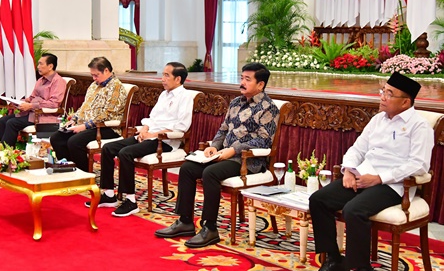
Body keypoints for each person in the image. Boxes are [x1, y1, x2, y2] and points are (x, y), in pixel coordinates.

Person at [309, 72, 434, 271]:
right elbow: (357, 149)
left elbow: (418, 165)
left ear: (405, 102)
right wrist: (349, 170)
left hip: (392, 185)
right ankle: (332, 258)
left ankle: (359, 267)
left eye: (389, 94)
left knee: (354, 210)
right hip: (362, 176)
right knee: (318, 199)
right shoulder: (378, 120)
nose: (382, 97)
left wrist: (378, 178)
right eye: (383, 91)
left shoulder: (420, 127)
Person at [154, 62, 280, 248]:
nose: (242, 82)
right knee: (188, 168)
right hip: (223, 154)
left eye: (247, 79)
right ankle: (185, 221)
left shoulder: (268, 108)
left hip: (248, 161)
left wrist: (233, 149)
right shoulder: (236, 102)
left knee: (210, 173)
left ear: (260, 85)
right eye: (242, 78)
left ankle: (210, 228)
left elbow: (263, 140)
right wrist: (214, 146)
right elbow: (223, 130)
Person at [85, 62, 193, 217]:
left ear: (178, 79)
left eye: (166, 75)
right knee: (108, 149)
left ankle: (130, 201)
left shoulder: (185, 97)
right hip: (148, 136)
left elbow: (181, 127)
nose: (162, 78)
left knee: (125, 153)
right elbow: (152, 118)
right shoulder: (164, 94)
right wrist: (145, 129)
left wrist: (154, 135)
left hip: (165, 142)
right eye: (162, 74)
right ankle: (109, 195)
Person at [50, 57, 127, 171]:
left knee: (74, 141)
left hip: (107, 128)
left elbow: (107, 114)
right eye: (92, 75)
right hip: (86, 125)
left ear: (106, 71)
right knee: (57, 138)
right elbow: (84, 106)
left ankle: (83, 173)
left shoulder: (116, 87)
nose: (94, 78)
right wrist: (74, 119)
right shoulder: (94, 85)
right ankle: (69, 169)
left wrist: (84, 126)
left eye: (96, 75)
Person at [0, 53, 66, 147]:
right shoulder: (40, 80)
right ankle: (0, 149)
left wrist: (31, 106)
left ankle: (7, 153)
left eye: (41, 64)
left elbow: (54, 103)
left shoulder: (58, 81)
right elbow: (32, 98)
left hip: (43, 115)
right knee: (3, 120)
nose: (38, 67)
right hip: (31, 113)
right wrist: (21, 102)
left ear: (50, 66)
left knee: (11, 123)